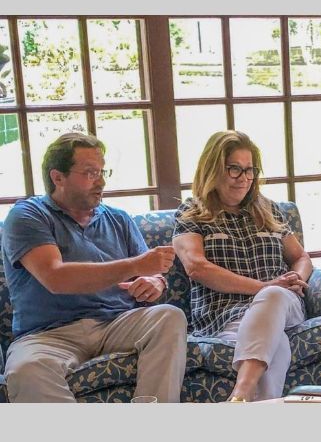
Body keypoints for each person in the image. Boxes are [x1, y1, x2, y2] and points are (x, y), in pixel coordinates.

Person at [1, 133, 187, 403]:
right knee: (25, 371)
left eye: (102, 172)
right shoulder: (27, 216)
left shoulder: (118, 219)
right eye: (90, 173)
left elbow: (149, 272)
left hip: (116, 323)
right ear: (58, 177)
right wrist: (137, 265)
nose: (101, 181)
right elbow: (55, 277)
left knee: (168, 317)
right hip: (49, 334)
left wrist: (155, 282)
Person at [173, 130, 312, 402]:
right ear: (212, 169)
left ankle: (240, 395)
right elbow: (196, 267)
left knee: (273, 296)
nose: (244, 178)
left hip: (282, 304)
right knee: (278, 345)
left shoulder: (268, 210)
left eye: (249, 170)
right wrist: (262, 286)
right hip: (226, 315)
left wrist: (297, 278)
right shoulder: (191, 213)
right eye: (234, 169)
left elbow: (301, 257)